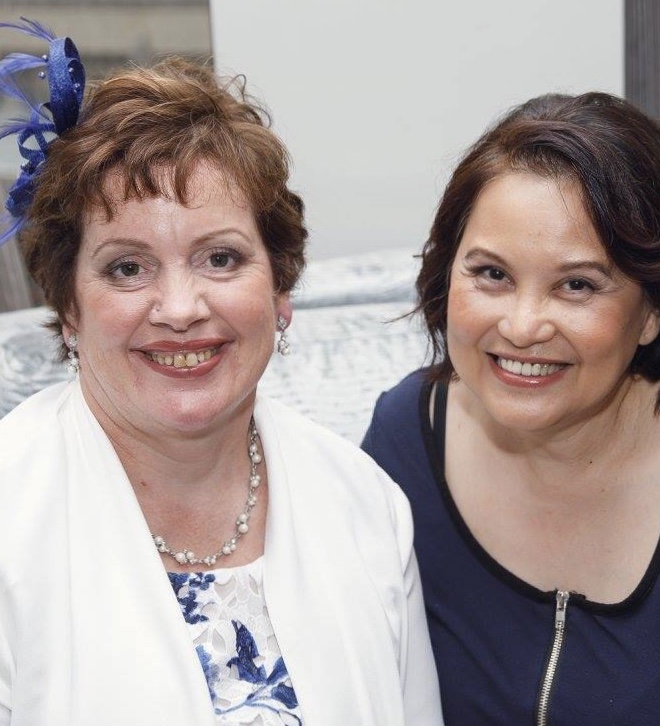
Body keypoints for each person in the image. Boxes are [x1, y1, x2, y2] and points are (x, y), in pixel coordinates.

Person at [0, 20, 443, 726]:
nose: (180, 308)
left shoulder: (367, 506)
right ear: (69, 307)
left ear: (281, 289)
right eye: (127, 267)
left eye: (221, 258)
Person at [362, 91, 660, 725]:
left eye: (577, 285)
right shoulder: (402, 442)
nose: (523, 326)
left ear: (653, 310)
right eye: (492, 274)